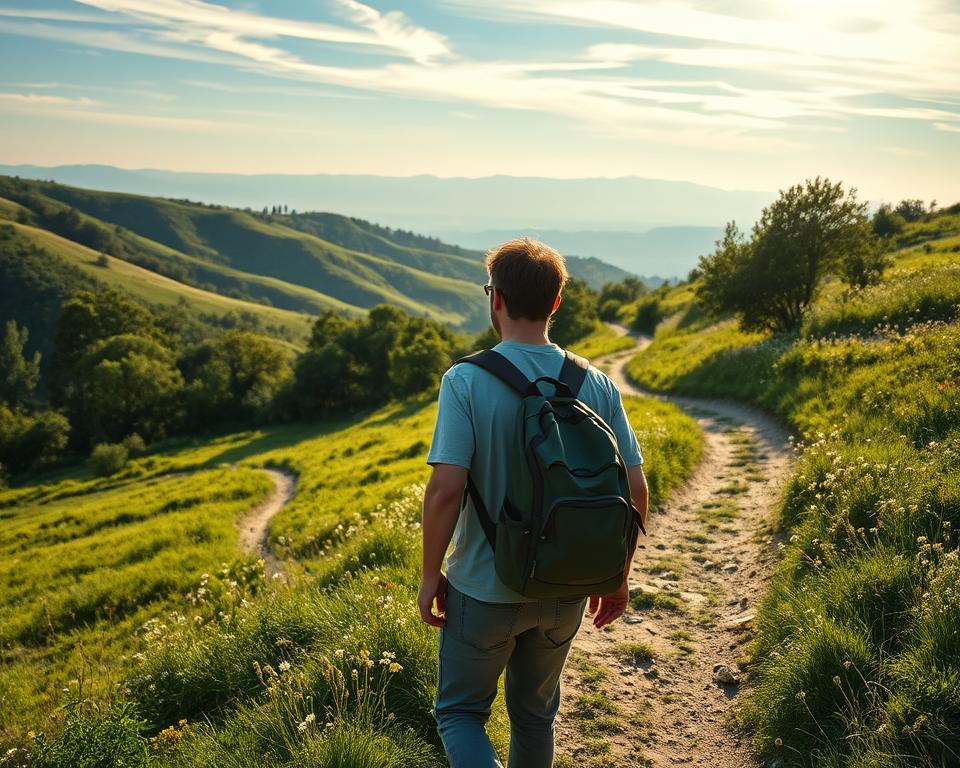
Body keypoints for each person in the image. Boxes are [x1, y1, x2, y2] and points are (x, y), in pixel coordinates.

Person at [418, 237, 649, 768]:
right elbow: (634, 491)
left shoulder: (466, 381)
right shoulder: (596, 384)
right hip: (566, 584)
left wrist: (432, 575)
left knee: (459, 713)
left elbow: (446, 488)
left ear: (494, 298)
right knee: (534, 716)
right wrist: (616, 574)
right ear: (557, 302)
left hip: (482, 587)